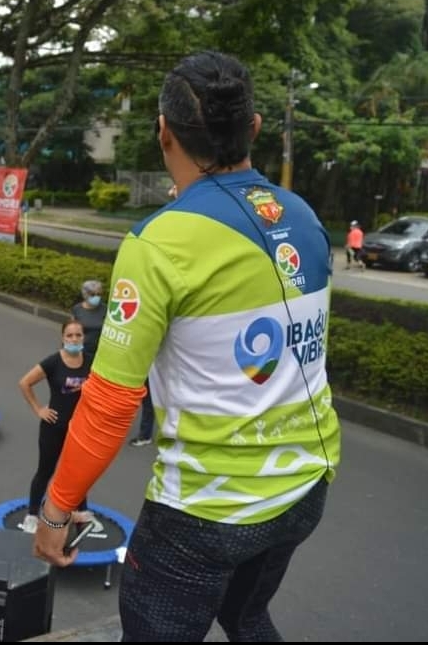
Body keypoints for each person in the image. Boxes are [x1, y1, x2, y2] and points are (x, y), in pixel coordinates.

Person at [32, 51, 341, 642]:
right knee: (246, 615)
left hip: (203, 514)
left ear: (163, 132)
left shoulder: (158, 242)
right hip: (307, 486)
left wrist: (54, 509)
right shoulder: (303, 216)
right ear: (252, 129)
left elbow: (110, 403)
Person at [16, 319, 91, 534]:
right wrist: (39, 409)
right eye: (70, 335)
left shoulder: (91, 362)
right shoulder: (53, 362)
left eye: (78, 335)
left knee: (77, 473)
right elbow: (25, 383)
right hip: (53, 427)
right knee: (45, 471)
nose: (74, 339)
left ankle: (83, 512)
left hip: (79, 429)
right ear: (62, 338)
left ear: (83, 338)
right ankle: (31, 515)